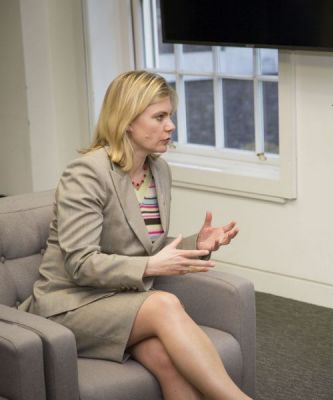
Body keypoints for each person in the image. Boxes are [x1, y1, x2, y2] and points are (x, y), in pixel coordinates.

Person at [19, 70, 251, 400]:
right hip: (70, 303)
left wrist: (195, 245)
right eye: (159, 117)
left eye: (170, 116)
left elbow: (142, 248)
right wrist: (151, 267)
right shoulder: (87, 173)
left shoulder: (159, 169)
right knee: (165, 304)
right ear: (127, 120)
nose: (170, 126)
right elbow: (81, 264)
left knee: (166, 361)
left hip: (122, 299)